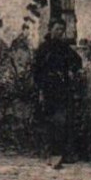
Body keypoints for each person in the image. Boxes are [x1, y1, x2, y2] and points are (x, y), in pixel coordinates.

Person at [31, 17, 84, 168]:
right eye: (57, 29)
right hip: (48, 88)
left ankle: (61, 153)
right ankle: (52, 153)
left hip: (63, 87)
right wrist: (40, 90)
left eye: (62, 30)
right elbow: (37, 71)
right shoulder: (44, 48)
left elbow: (76, 61)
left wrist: (75, 72)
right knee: (51, 121)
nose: (59, 32)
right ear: (50, 30)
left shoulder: (64, 47)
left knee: (64, 120)